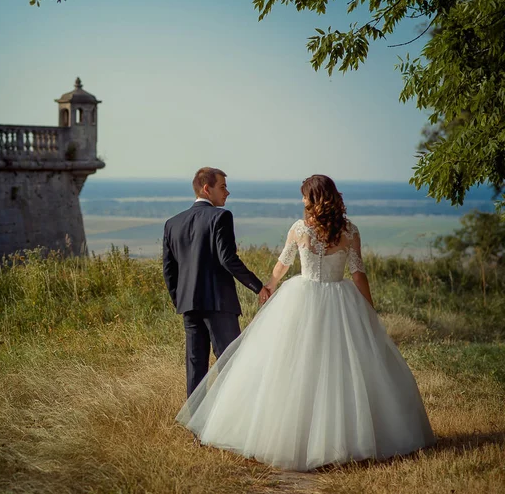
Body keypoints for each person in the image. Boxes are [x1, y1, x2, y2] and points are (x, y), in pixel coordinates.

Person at [176, 175, 436, 471]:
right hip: (341, 299)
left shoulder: (300, 229)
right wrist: (368, 308)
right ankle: (344, 438)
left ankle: (293, 437)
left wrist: (269, 287)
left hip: (302, 297)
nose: (301, 201)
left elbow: (283, 263)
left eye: (304, 196)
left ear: (313, 198)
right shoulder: (350, 230)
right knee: (342, 368)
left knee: (294, 366)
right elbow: (357, 272)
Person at [163, 167, 270, 397]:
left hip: (189, 306)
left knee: (195, 369)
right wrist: (257, 286)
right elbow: (228, 259)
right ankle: (228, 426)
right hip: (219, 304)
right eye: (222, 187)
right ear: (206, 188)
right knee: (231, 365)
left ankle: (196, 430)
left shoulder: (172, 223)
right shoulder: (221, 217)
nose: (227, 192)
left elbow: (169, 271)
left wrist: (181, 300)